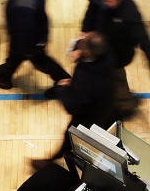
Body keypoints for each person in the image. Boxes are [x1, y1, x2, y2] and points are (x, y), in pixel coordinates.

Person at [80, 0, 150, 118]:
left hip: (117, 56)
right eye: (107, 0)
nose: (111, 4)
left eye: (113, 0)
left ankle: (124, 105)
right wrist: (84, 31)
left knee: (116, 79)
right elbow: (90, 12)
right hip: (96, 48)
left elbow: (146, 44)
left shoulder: (129, 12)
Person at [31, 32, 117, 170]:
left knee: (71, 135)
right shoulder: (107, 56)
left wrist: (63, 89)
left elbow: (72, 106)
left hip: (91, 113)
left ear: (88, 53)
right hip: (105, 102)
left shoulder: (86, 78)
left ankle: (62, 160)